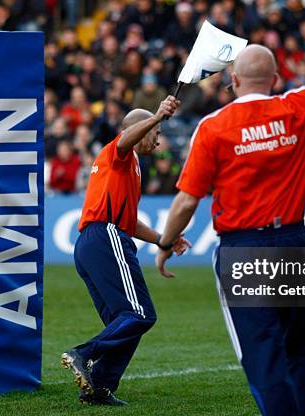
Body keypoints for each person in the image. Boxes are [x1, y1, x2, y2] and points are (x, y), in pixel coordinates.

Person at [154, 1, 305, 414]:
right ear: (276, 78)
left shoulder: (212, 128)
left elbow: (187, 199)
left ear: (233, 78)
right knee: (302, 347)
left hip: (243, 250)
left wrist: (165, 241)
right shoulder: (300, 106)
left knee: (263, 359)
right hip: (294, 243)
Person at [61, 96, 190, 406]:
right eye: (156, 134)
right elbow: (124, 140)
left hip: (93, 242)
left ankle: (99, 387)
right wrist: (158, 115)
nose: (158, 142)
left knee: (125, 322)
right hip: (105, 236)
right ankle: (83, 354)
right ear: (139, 130)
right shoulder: (118, 153)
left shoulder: (130, 168)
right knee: (140, 314)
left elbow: (130, 222)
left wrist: (163, 239)